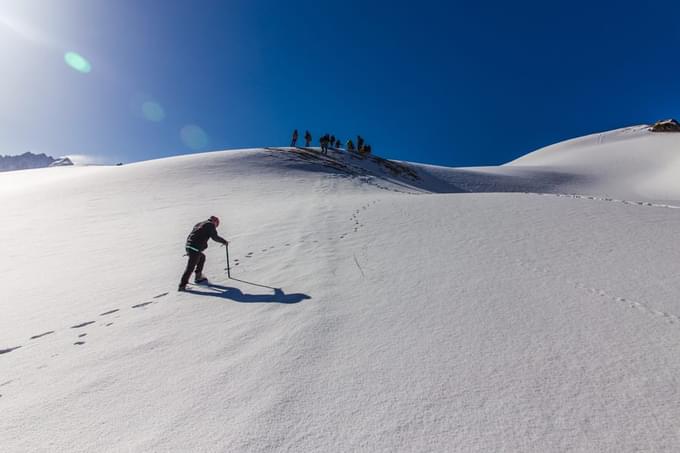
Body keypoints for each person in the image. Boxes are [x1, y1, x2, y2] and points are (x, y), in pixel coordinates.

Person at [178, 216, 228, 291]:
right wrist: (224, 241)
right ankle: (182, 285)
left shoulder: (200, 224)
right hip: (195, 247)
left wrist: (189, 248)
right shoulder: (210, 225)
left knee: (202, 257)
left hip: (189, 246)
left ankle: (198, 276)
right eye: (217, 224)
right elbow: (214, 237)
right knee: (190, 266)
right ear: (215, 222)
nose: (216, 226)